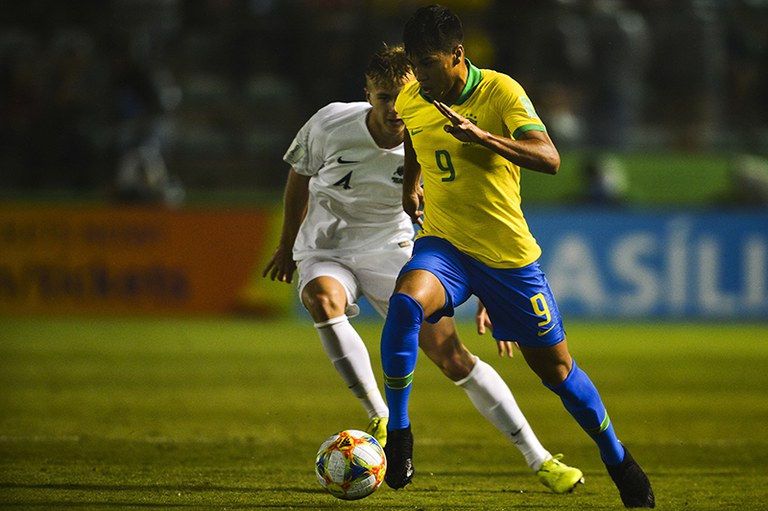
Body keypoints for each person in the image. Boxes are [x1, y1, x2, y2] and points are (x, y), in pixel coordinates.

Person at [263, 44, 584, 494]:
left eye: (402, 96)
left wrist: (488, 290)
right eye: (382, 97)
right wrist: (286, 244)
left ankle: (540, 458)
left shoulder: (438, 132)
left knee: (454, 359)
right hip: (327, 247)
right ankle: (382, 417)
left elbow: (463, 213)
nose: (394, 109)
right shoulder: (330, 122)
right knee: (321, 298)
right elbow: (299, 177)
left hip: (392, 251)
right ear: (367, 94)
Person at [380, 5, 654, 508]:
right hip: (446, 246)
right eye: (416, 65)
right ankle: (399, 437)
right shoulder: (413, 97)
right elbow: (416, 142)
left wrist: (481, 137)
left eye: (431, 63)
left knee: (557, 373)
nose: (421, 75)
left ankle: (617, 458)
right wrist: (412, 186)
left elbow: (550, 158)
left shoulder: (500, 92)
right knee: (404, 306)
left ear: (458, 54)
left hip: (508, 259)